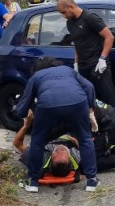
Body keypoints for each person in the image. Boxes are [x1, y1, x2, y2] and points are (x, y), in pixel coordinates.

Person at [14, 57, 99, 192]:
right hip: (78, 102)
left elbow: (24, 103)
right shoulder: (68, 70)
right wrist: (90, 108)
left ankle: (32, 182)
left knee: (38, 141)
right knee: (85, 139)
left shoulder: (36, 76)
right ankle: (92, 181)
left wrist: (23, 113)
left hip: (48, 105)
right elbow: (89, 86)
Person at [12, 99, 115, 171]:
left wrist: (26, 125)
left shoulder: (40, 156)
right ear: (69, 161)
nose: (60, 150)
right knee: (92, 159)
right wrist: (76, 142)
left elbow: (18, 144)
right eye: (64, 154)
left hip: (107, 121)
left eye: (57, 153)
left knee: (94, 153)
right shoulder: (76, 160)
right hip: (108, 122)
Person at [56, 0, 115, 106]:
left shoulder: (90, 18)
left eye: (64, 12)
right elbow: (77, 43)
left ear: (71, 7)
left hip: (98, 66)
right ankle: (98, 122)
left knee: (108, 99)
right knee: (92, 100)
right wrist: (76, 63)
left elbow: (109, 37)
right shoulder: (70, 23)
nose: (63, 16)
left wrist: (102, 59)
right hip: (83, 67)